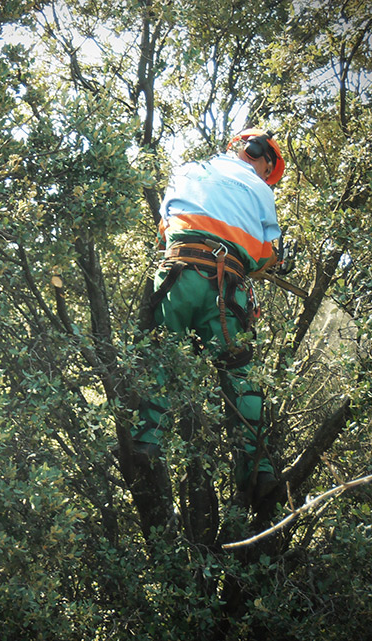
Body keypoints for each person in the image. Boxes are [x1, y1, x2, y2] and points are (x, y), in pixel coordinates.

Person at [136, 128, 285, 507]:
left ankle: (144, 442)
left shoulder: (188, 170)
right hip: (227, 292)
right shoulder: (261, 191)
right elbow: (268, 256)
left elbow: (165, 231)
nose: (266, 175)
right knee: (240, 377)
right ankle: (257, 472)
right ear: (259, 156)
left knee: (159, 355)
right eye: (267, 167)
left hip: (178, 275)